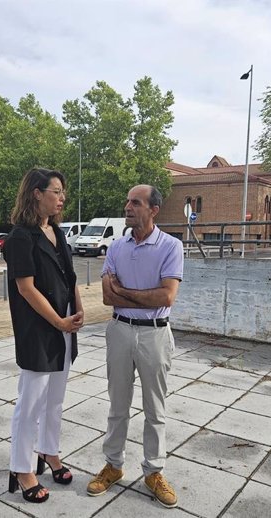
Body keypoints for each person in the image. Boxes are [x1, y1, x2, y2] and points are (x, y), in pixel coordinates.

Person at [87, 184, 184, 508]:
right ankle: (113, 466)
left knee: (155, 409)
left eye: (136, 202)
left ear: (153, 209)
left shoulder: (171, 246)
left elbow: (166, 296)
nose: (128, 207)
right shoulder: (116, 247)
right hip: (119, 331)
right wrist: (141, 295)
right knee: (117, 406)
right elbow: (106, 296)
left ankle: (153, 471)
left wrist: (125, 293)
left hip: (155, 335)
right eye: (127, 201)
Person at [4, 167, 85, 504]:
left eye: (62, 192)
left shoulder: (57, 232)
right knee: (31, 402)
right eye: (56, 191)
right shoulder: (20, 237)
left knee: (56, 398)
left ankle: (49, 451)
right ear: (37, 193)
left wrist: (77, 311)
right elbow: (26, 289)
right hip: (39, 329)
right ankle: (23, 468)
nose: (61, 198)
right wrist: (59, 322)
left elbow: (70, 276)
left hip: (65, 325)